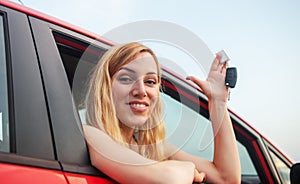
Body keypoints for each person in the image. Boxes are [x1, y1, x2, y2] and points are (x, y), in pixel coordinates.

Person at [83, 42, 241, 183]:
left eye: (150, 81)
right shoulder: (89, 135)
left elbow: (227, 179)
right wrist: (188, 168)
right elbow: (169, 179)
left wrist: (218, 101)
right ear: (105, 88)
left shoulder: (152, 147)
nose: (141, 90)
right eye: (126, 79)